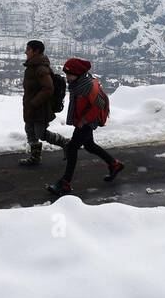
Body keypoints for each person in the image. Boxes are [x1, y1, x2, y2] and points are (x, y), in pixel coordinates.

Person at [48, 57, 123, 196]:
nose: (67, 77)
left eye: (69, 74)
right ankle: (115, 164)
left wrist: (84, 120)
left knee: (71, 148)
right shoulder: (78, 84)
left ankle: (65, 183)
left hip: (88, 122)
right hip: (84, 120)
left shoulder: (87, 85)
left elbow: (99, 103)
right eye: (66, 74)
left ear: (78, 74)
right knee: (89, 145)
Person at [19, 39, 68, 166]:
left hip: (40, 108)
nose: (26, 52)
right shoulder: (32, 66)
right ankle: (35, 157)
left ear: (36, 51)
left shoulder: (41, 68)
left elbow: (48, 88)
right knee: (29, 130)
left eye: (28, 49)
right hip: (31, 107)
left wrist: (34, 103)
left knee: (41, 133)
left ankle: (66, 143)